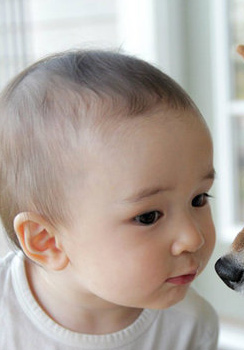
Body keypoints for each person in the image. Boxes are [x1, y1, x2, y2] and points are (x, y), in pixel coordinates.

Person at [0, 50, 218, 349]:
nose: (193, 238)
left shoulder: (190, 326)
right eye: (148, 216)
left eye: (199, 198)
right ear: (46, 240)